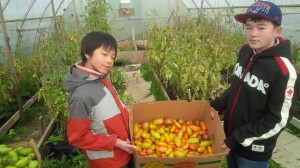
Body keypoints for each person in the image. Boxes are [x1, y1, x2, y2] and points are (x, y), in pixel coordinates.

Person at [210, 1, 300, 168]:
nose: (253, 34)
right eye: (249, 27)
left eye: (261, 27)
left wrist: (238, 137)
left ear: (277, 31)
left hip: (254, 150)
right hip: (231, 138)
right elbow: (238, 85)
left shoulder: (284, 71)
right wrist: (217, 105)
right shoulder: (246, 51)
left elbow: (278, 119)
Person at [62, 31, 135, 168]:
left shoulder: (100, 79)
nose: (110, 61)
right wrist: (115, 143)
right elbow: (77, 137)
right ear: (87, 53)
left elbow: (110, 112)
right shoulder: (81, 95)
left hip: (124, 151)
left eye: (113, 57)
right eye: (104, 54)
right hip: (108, 161)